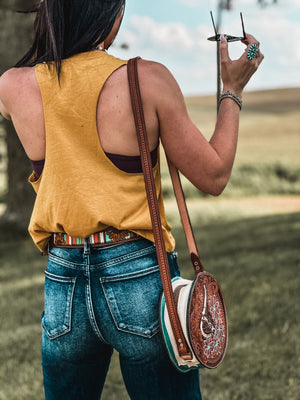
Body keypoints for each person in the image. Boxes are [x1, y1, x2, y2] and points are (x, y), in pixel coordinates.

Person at [0, 1, 263, 399]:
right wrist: (232, 90)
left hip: (62, 281)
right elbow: (214, 175)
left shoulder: (13, 87)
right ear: (109, 15)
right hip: (139, 274)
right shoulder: (146, 80)